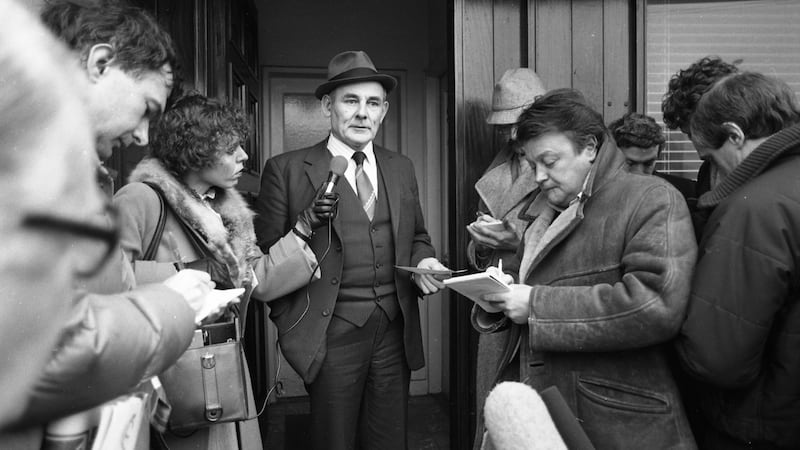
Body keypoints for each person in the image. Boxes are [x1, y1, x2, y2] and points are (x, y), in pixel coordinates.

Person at [7, 0, 216, 439]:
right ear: (100, 63)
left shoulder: (73, 173)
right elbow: (48, 346)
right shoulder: (19, 162)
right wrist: (177, 304)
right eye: (146, 108)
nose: (141, 136)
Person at [474, 90, 698, 448]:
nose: (540, 177)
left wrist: (535, 305)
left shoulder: (652, 198)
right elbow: (524, 281)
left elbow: (655, 306)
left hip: (616, 423)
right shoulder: (544, 209)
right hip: (548, 413)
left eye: (550, 161)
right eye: (534, 166)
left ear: (590, 148)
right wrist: (495, 293)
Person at [254, 50, 448, 450]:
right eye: (351, 101)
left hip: (395, 329)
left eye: (373, 103)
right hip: (330, 333)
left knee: (389, 440)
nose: (363, 113)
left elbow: (417, 237)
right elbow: (265, 259)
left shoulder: (401, 167)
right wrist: (292, 324)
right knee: (333, 441)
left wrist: (424, 259)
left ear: (384, 111)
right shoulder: (286, 169)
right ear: (328, 106)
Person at [113, 93, 326, 448]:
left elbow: (258, 280)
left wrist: (303, 228)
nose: (244, 157)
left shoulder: (225, 211)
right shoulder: (141, 199)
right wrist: (189, 271)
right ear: (194, 152)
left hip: (221, 366)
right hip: (174, 374)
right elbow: (102, 282)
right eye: (231, 149)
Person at [675, 72, 800, 450]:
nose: (713, 175)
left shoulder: (755, 208)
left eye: (711, 159)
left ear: (735, 135)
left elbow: (717, 359)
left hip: (761, 425)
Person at [464, 67, 546, 449]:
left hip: (539, 313)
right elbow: (479, 255)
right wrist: (482, 244)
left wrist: (513, 242)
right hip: (498, 316)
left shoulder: (563, 167)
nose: (512, 135)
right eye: (504, 127)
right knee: (493, 417)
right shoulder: (495, 172)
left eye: (519, 124)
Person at [609, 112, 697, 202]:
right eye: (630, 164)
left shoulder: (685, 193)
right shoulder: (598, 195)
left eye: (648, 164)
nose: (640, 174)